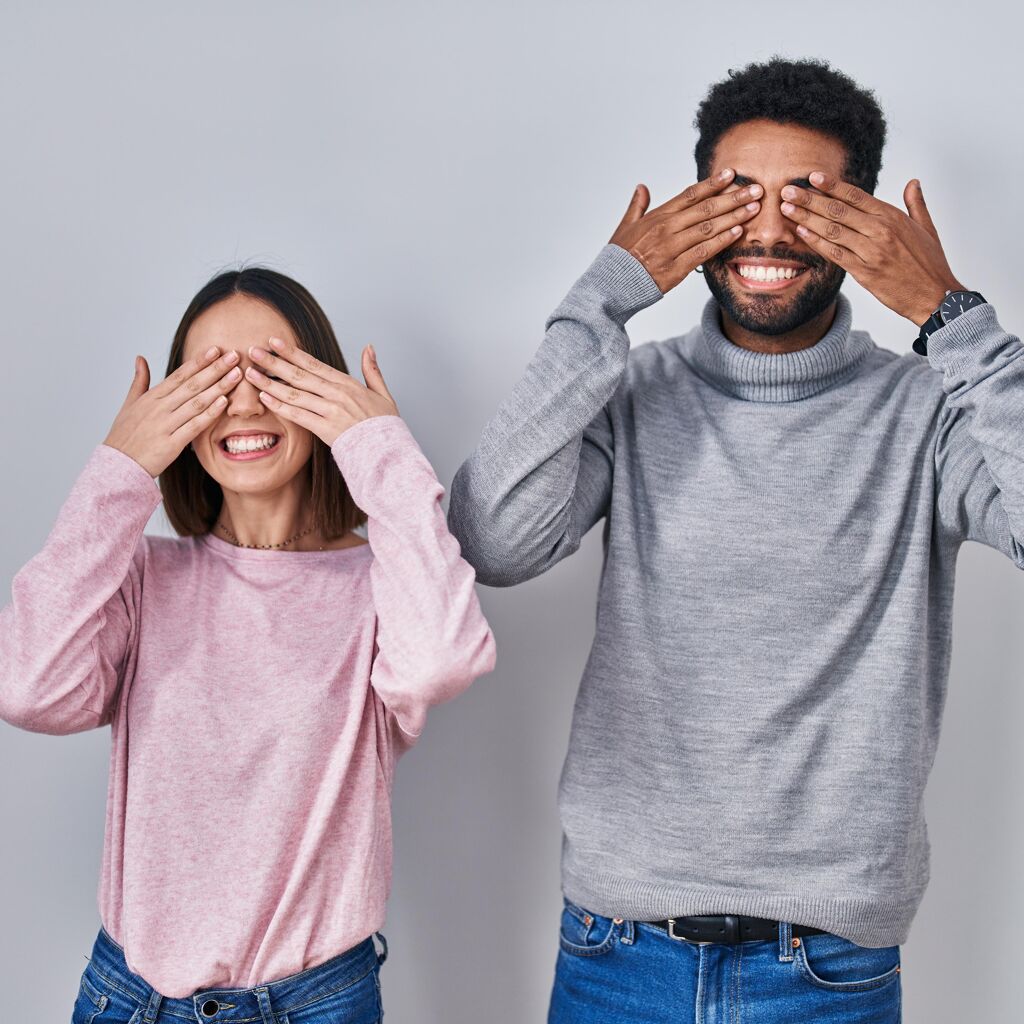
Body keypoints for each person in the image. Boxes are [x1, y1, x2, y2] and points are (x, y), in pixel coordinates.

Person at [446, 56, 1022, 1022]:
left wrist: (951, 319)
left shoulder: (928, 412)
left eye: (808, 200)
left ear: (868, 224)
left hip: (829, 970)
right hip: (615, 953)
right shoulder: (630, 391)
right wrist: (604, 299)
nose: (765, 228)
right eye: (735, 196)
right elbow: (492, 540)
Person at [0, 267, 496, 1023]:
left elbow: (441, 659)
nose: (239, 399)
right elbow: (29, 688)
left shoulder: (382, 584)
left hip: (311, 1003)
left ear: (323, 392)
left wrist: (379, 450)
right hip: (127, 999)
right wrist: (119, 471)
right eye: (209, 377)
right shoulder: (143, 578)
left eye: (271, 371)